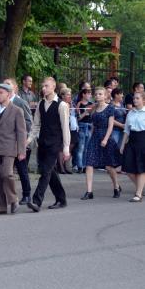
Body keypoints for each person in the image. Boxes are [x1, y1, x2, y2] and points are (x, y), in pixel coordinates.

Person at [27, 77, 70, 212]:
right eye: (43, 86)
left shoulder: (62, 105)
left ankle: (36, 201)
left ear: (53, 86)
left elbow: (65, 127)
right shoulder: (40, 104)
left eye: (46, 86)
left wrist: (66, 147)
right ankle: (61, 199)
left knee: (45, 172)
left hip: (54, 143)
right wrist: (29, 140)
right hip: (42, 143)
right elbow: (36, 125)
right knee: (50, 172)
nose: (43, 88)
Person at [0, 84, 27, 215]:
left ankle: (13, 199)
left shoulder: (16, 110)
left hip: (9, 149)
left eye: (1, 92)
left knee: (6, 173)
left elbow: (21, 132)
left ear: (8, 94)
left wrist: (21, 151)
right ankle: (0, 207)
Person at [81, 87, 122, 200]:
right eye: (96, 94)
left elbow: (110, 126)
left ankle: (116, 187)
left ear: (105, 96)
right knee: (89, 163)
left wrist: (105, 139)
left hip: (106, 137)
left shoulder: (110, 108)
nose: (98, 96)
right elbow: (93, 124)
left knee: (109, 167)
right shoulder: (93, 108)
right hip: (94, 137)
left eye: (100, 94)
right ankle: (89, 192)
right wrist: (91, 136)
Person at [120, 92, 145, 202]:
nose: (134, 100)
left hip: (143, 140)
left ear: (143, 100)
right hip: (131, 140)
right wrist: (122, 145)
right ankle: (141, 187)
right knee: (128, 168)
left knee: (140, 168)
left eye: (137, 98)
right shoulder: (130, 113)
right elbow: (126, 130)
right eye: (134, 98)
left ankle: (138, 194)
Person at [57, 88, 78, 174]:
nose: (70, 96)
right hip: (62, 127)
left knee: (70, 144)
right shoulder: (61, 104)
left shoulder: (71, 103)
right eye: (68, 94)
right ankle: (61, 166)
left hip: (72, 127)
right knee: (61, 147)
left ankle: (65, 164)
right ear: (62, 96)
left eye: (70, 94)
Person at [75, 86, 93, 173]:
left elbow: (93, 117)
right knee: (81, 147)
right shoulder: (79, 104)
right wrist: (85, 112)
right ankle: (79, 166)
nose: (90, 95)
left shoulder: (91, 104)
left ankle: (85, 165)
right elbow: (78, 118)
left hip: (89, 127)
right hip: (82, 126)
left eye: (90, 93)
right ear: (83, 94)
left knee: (87, 148)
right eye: (88, 93)